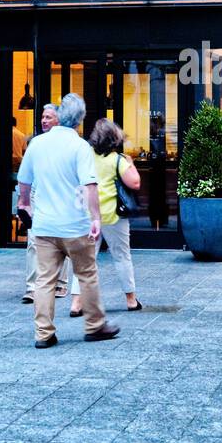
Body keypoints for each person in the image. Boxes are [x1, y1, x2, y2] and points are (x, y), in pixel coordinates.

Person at [17, 93, 119, 349]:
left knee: (44, 280)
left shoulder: (37, 144)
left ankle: (43, 333)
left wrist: (25, 203)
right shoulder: (80, 147)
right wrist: (95, 218)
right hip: (75, 225)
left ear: (60, 116)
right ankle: (95, 325)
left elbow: (24, 181)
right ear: (80, 120)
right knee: (87, 275)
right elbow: (90, 185)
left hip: (44, 226)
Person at [69, 119, 144, 315]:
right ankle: (131, 300)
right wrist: (131, 164)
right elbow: (135, 183)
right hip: (112, 216)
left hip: (87, 214)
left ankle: (76, 303)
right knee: (121, 257)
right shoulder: (117, 159)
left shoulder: (85, 157)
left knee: (84, 260)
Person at [21, 104, 69, 305]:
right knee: (33, 241)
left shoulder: (68, 143)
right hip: (37, 195)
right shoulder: (36, 143)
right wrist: (23, 202)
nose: (44, 120)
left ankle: (62, 282)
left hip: (61, 195)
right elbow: (25, 174)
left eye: (49, 117)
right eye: (43, 116)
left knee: (63, 239)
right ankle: (32, 287)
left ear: (58, 121)